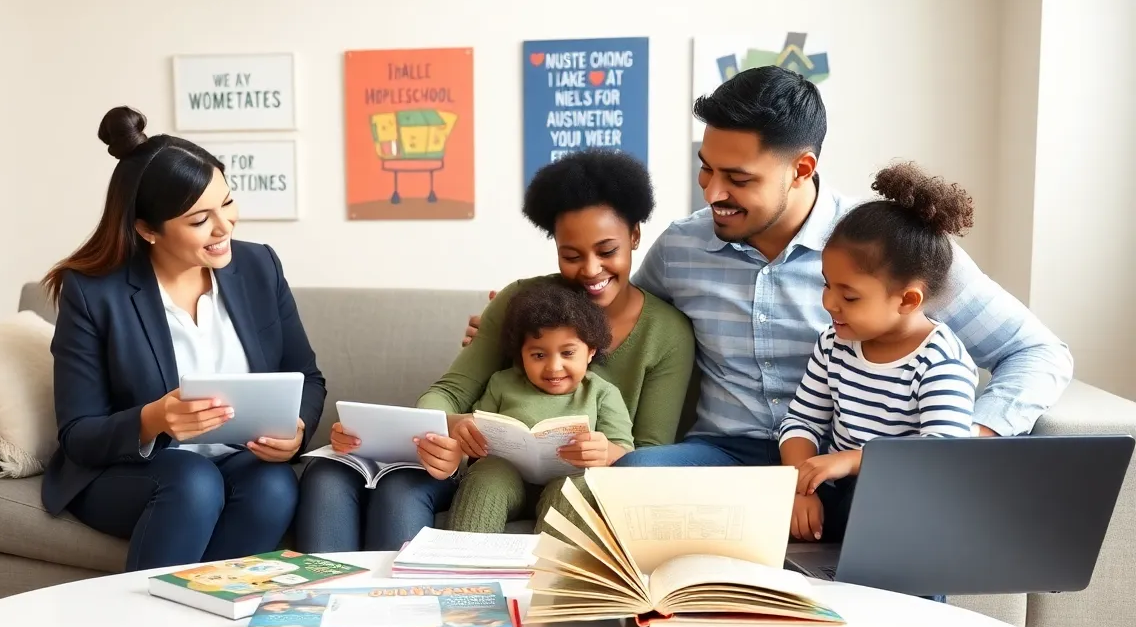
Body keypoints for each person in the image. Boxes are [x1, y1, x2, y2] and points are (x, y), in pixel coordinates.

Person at [464, 67, 1072, 464]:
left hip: (844, 459)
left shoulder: (890, 249)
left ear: (801, 169)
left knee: (903, 530)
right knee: (634, 473)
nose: (712, 192)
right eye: (706, 167)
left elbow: (1040, 354)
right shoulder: (680, 248)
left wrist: (968, 440)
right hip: (721, 453)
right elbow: (615, 316)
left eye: (738, 178)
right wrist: (509, 327)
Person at [293, 148, 694, 551]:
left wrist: (608, 452)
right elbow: (449, 392)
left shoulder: (667, 333)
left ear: (635, 236)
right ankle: (438, 596)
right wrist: (450, 427)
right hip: (497, 471)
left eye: (607, 251)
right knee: (402, 487)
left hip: (585, 480)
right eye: (571, 255)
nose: (590, 270)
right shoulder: (521, 301)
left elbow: (648, 456)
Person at [40, 106, 325, 573]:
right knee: (193, 480)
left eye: (227, 203)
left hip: (235, 462)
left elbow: (308, 377)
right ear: (148, 230)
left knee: (274, 485)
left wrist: (295, 431)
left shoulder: (259, 267)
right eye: (199, 220)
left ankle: (208, 619)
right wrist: (154, 419)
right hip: (127, 472)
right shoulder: (94, 293)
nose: (225, 227)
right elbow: (79, 435)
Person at [778, 161, 980, 545]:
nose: (829, 303)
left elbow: (943, 454)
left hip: (905, 510)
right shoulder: (833, 344)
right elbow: (801, 422)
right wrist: (800, 487)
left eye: (849, 295)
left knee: (877, 500)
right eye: (827, 285)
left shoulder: (939, 361)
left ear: (907, 300)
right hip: (839, 497)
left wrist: (850, 460)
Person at [449, 277, 634, 533]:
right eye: (538, 355)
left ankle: (551, 568)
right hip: (505, 481)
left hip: (567, 481)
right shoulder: (502, 383)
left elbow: (627, 453)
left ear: (590, 351)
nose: (553, 367)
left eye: (568, 353)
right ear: (520, 354)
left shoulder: (602, 394)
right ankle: (464, 562)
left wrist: (607, 451)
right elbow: (478, 435)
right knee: (487, 475)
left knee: (575, 487)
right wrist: (469, 440)